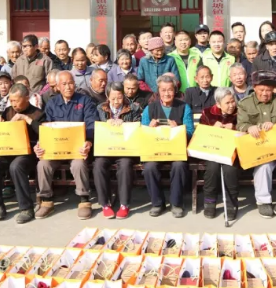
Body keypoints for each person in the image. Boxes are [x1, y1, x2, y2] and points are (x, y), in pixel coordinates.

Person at [237, 70, 276, 219]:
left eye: (268, 90)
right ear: (254, 88)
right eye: (261, 90)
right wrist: (249, 127)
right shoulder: (245, 103)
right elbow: (240, 125)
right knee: (263, 165)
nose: (265, 93)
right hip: (259, 147)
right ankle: (263, 201)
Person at [36, 71, 97, 220]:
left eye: (70, 83)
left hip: (77, 149)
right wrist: (40, 144)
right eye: (64, 84)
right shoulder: (52, 103)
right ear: (57, 86)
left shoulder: (85, 101)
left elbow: (91, 125)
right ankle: (46, 200)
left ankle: (84, 200)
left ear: (75, 84)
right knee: (43, 164)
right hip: (56, 149)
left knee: (78, 164)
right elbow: (46, 127)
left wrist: (88, 142)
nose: (68, 87)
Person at [0, 84, 44, 224]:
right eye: (11, 101)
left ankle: (26, 208)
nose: (13, 104)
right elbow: (1, 132)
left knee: (16, 166)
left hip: (28, 153)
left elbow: (44, 133)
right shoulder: (8, 112)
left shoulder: (38, 113)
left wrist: (28, 120)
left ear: (26, 98)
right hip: (7, 150)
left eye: (16, 100)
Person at [141, 74, 194, 218]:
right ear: (158, 91)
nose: (166, 93)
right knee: (149, 167)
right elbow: (142, 132)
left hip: (176, 150)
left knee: (179, 165)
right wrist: (149, 128)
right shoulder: (149, 108)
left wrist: (178, 129)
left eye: (170, 90)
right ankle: (157, 203)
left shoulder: (184, 107)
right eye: (163, 90)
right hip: (155, 150)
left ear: (175, 90)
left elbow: (190, 132)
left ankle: (176, 203)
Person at [94, 82, 143, 220]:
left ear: (124, 96)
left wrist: (126, 125)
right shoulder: (100, 108)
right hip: (106, 148)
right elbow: (95, 127)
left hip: (125, 149)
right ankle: (105, 204)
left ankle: (124, 204)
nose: (116, 102)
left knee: (126, 165)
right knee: (98, 165)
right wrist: (106, 124)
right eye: (113, 98)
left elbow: (138, 127)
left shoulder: (134, 108)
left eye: (120, 98)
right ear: (107, 97)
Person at [199, 86, 243, 221]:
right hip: (212, 150)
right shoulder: (208, 113)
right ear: (218, 104)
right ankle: (209, 201)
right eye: (227, 103)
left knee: (230, 169)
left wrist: (234, 128)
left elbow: (246, 131)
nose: (231, 105)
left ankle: (231, 203)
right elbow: (200, 135)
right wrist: (212, 129)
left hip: (233, 151)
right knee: (212, 168)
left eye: (232, 101)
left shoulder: (240, 112)